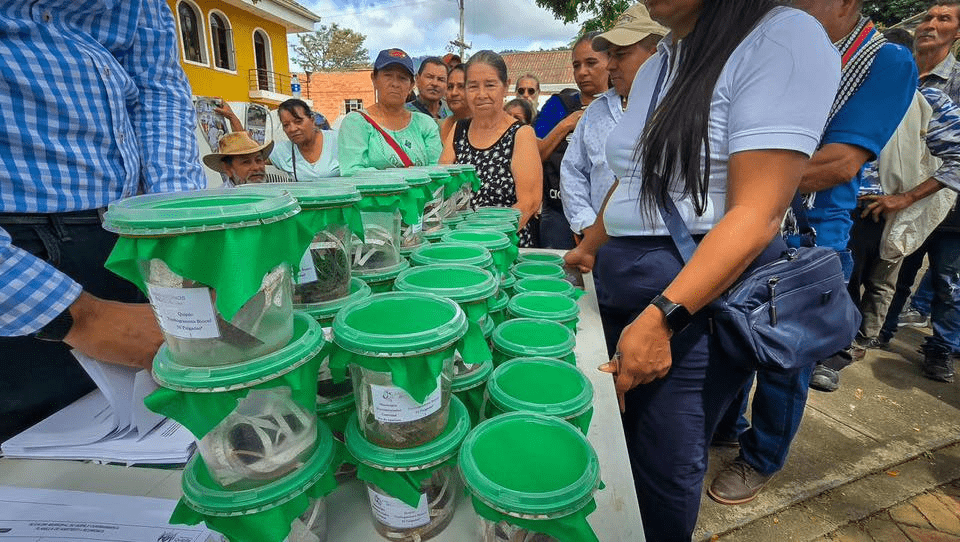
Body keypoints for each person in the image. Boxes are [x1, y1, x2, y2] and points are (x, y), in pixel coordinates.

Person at [563, 0, 839, 538]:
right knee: (618, 439)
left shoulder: (780, 37)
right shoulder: (661, 62)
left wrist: (663, 316)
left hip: (695, 297)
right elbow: (635, 176)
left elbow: (758, 213)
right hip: (627, 284)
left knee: (664, 460)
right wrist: (590, 246)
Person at [708, 0, 917, 508]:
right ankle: (729, 427)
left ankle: (762, 458)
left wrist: (728, 176)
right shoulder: (776, 45)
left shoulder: (884, 60)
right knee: (731, 335)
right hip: (748, 220)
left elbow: (840, 163)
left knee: (785, 361)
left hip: (809, 236)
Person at [0, 0, 206, 442]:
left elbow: (158, 89)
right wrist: (79, 317)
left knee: (148, 441)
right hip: (16, 256)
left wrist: (175, 231)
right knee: (31, 456)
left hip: (125, 233)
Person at [880, 0, 960, 381]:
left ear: (957, 32)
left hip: (946, 205)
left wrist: (911, 196)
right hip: (893, 191)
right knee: (896, 268)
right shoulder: (900, 68)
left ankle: (941, 348)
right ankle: (881, 330)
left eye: (944, 19)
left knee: (948, 281)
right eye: (928, 17)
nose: (930, 24)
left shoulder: (955, 84)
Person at [560, 4, 665, 245]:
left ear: (655, 54)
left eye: (621, 54)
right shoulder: (596, 111)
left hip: (661, 249)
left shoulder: (682, 108)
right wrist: (587, 225)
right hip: (600, 247)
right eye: (610, 55)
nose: (610, 65)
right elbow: (572, 171)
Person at [440, 50, 542, 247]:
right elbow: (441, 187)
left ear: (506, 86)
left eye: (490, 85)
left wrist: (487, 240)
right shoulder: (458, 130)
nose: (481, 94)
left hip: (505, 246)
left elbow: (529, 203)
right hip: (462, 245)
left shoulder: (521, 134)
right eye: (473, 86)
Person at [535, 32, 609, 249]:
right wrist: (567, 124)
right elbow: (535, 154)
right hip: (558, 214)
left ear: (610, 62)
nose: (582, 72)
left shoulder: (623, 106)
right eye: (577, 65)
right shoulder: (558, 105)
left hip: (608, 218)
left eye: (591, 63)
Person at [339, 48, 443, 175]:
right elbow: (352, 171)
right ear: (374, 79)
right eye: (388, 75)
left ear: (411, 85)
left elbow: (436, 171)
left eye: (402, 78)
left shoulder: (425, 124)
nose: (395, 84)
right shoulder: (356, 123)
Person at [217, 98, 339, 181]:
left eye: (298, 121)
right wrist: (232, 118)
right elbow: (251, 150)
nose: (292, 129)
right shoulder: (283, 151)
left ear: (312, 120)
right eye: (286, 125)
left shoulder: (338, 140)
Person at [202, 132, 274, 187]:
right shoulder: (221, 199)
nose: (256, 167)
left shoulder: (275, 194)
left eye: (258, 160)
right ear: (228, 169)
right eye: (246, 162)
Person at [406, 56, 451, 121]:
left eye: (441, 79)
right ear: (417, 79)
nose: (435, 83)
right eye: (429, 77)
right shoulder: (402, 113)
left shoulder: (452, 116)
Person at [440, 64, 469, 142]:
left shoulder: (489, 129)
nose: (454, 93)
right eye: (450, 87)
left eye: (461, 86)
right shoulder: (436, 128)